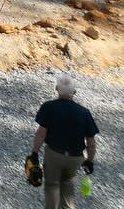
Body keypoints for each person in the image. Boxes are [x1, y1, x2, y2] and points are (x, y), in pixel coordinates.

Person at [28, 72, 99, 208]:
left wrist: (35, 153)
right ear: (74, 92)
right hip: (75, 159)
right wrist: (90, 161)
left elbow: (40, 134)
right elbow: (91, 142)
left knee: (52, 187)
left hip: (54, 155)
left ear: (56, 89)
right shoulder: (84, 113)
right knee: (67, 188)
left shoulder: (48, 107)